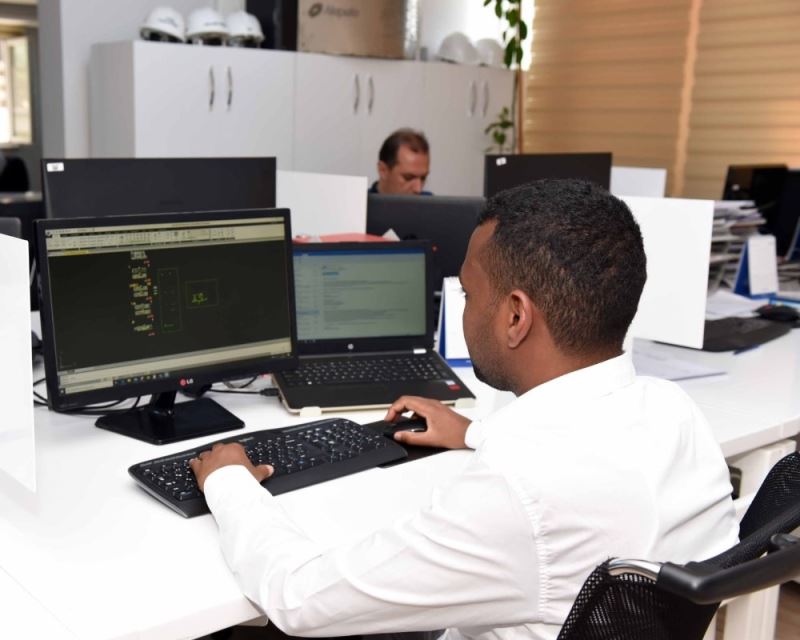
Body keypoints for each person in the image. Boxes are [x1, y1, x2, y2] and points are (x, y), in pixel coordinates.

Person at [190, 179, 739, 640]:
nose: (466, 309)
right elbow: (575, 461)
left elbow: (299, 599)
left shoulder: (519, 494)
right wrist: (474, 432)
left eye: (470, 294)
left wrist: (230, 482)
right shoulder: (674, 412)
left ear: (516, 317)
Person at [369, 128, 432, 195]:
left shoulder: (430, 201)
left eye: (423, 178)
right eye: (408, 178)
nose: (418, 189)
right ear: (383, 170)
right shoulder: (362, 201)